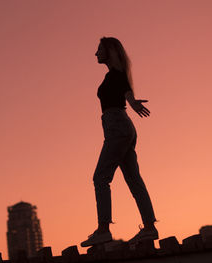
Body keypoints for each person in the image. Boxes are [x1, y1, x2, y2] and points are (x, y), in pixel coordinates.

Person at [80, 37, 158, 247]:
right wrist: (130, 102)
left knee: (100, 177)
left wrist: (132, 102)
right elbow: (124, 88)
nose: (96, 53)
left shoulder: (116, 74)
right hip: (122, 128)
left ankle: (103, 230)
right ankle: (149, 228)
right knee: (134, 179)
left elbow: (126, 91)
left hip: (117, 126)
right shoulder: (113, 75)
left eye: (99, 49)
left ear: (110, 51)